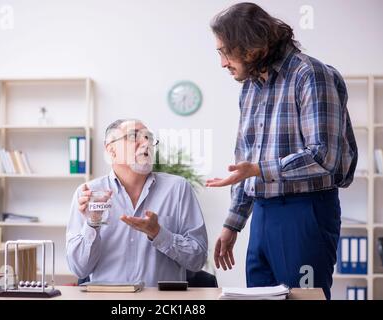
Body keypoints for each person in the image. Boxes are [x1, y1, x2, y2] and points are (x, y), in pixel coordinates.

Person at [206, 3, 358, 299]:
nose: (223, 63)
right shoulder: (250, 87)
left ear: (252, 45)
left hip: (305, 213)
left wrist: (260, 169)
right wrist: (233, 223)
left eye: (225, 51)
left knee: (303, 298)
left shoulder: (310, 74)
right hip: (263, 214)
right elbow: (245, 165)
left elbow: (324, 156)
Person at [66, 119, 208, 286]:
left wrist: (159, 234)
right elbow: (79, 269)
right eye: (134, 136)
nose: (146, 142)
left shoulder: (178, 188)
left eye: (149, 137)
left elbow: (198, 259)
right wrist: (93, 223)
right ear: (111, 150)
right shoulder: (88, 194)